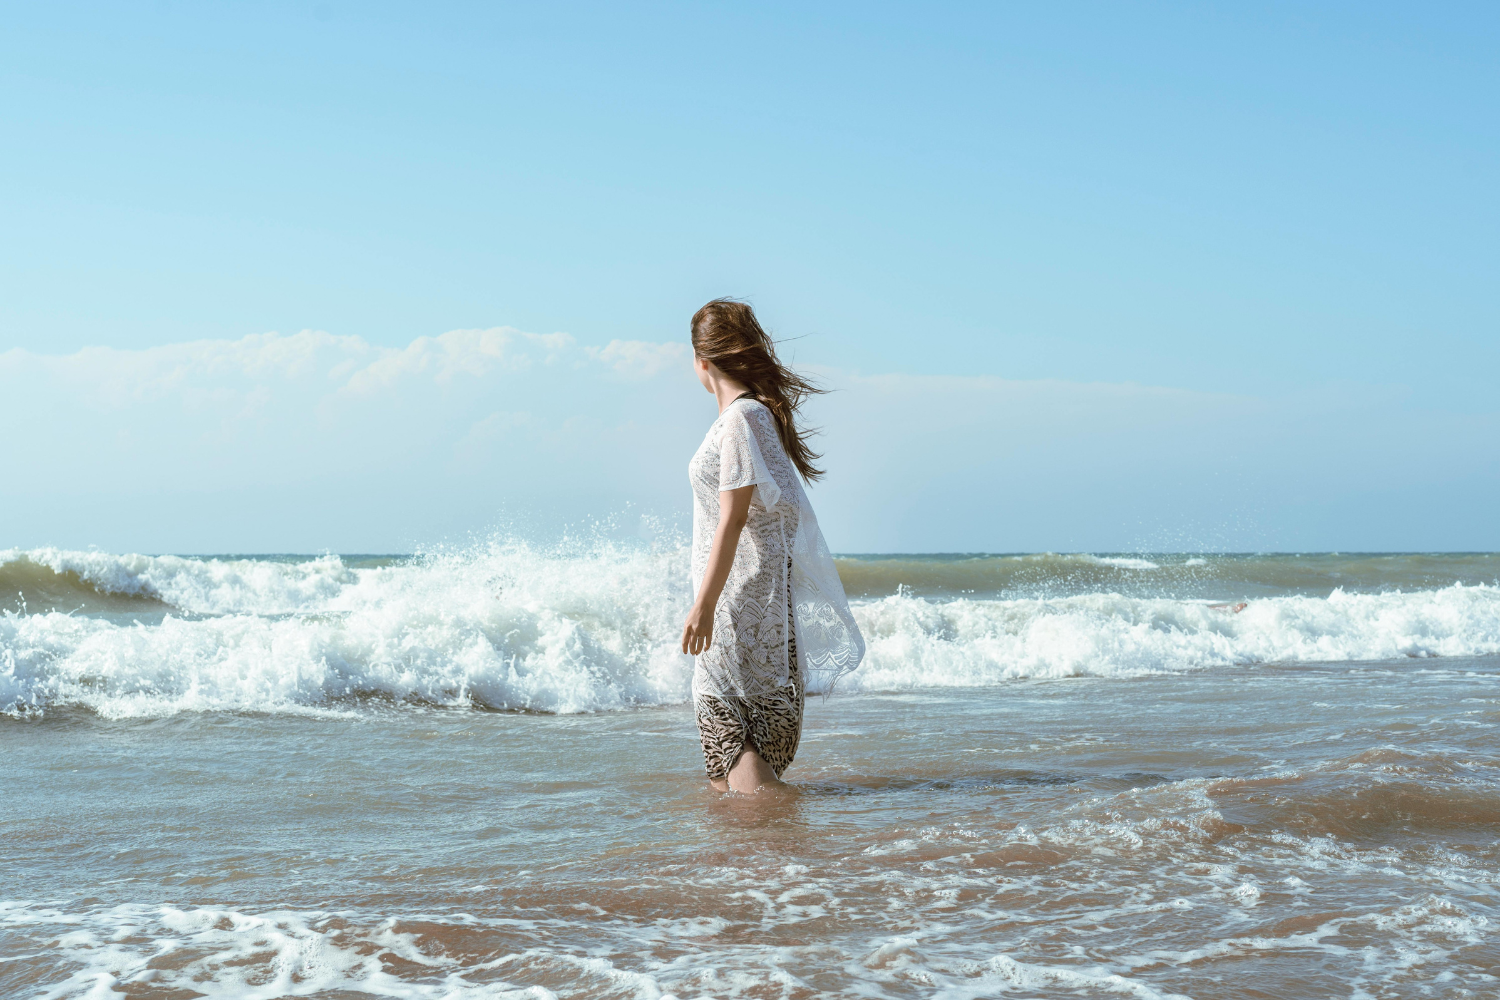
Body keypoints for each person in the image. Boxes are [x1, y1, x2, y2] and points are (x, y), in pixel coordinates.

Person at [680, 299, 865, 794]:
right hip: (751, 607)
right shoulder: (752, 418)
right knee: (725, 770)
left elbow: (733, 520)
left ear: (702, 360)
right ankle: (759, 868)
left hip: (740, 610)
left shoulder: (742, 420)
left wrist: (704, 604)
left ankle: (790, 852)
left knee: (735, 757)